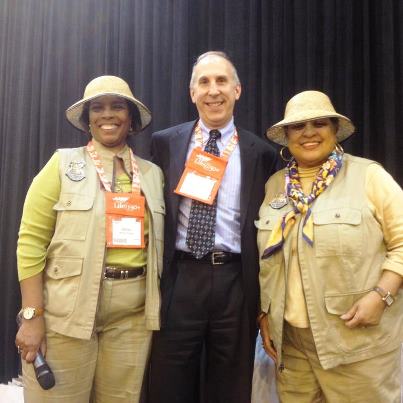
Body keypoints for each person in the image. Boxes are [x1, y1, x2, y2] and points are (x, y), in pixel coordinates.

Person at [15, 75, 165, 403]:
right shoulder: (62, 165)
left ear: (132, 118)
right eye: (98, 108)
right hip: (67, 313)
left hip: (132, 318)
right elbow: (30, 242)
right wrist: (32, 316)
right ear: (87, 119)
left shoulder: (153, 175)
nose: (107, 114)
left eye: (117, 107)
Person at [149, 51, 279, 403]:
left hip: (235, 282)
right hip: (180, 278)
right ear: (192, 93)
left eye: (221, 81)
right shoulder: (164, 143)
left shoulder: (260, 153)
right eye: (203, 82)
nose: (213, 90)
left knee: (231, 383)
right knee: (168, 380)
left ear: (238, 89)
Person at [257, 90, 403, 403]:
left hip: (356, 345)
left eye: (319, 123)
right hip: (292, 349)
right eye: (298, 126)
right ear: (286, 136)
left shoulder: (368, 176)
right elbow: (268, 262)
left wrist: (381, 295)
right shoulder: (274, 186)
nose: (309, 132)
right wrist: (265, 315)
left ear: (335, 131)